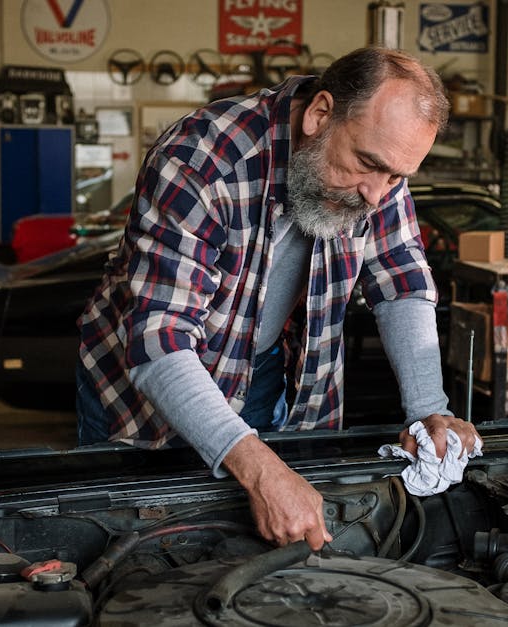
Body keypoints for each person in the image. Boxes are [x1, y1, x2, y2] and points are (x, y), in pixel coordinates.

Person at [75, 46, 479, 550]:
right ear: (319, 115)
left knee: (256, 543)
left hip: (265, 369)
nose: (378, 195)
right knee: (142, 545)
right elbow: (160, 338)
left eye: (396, 177)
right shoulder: (202, 160)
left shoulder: (378, 171)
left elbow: (403, 281)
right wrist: (260, 468)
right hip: (144, 392)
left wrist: (428, 410)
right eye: (368, 165)